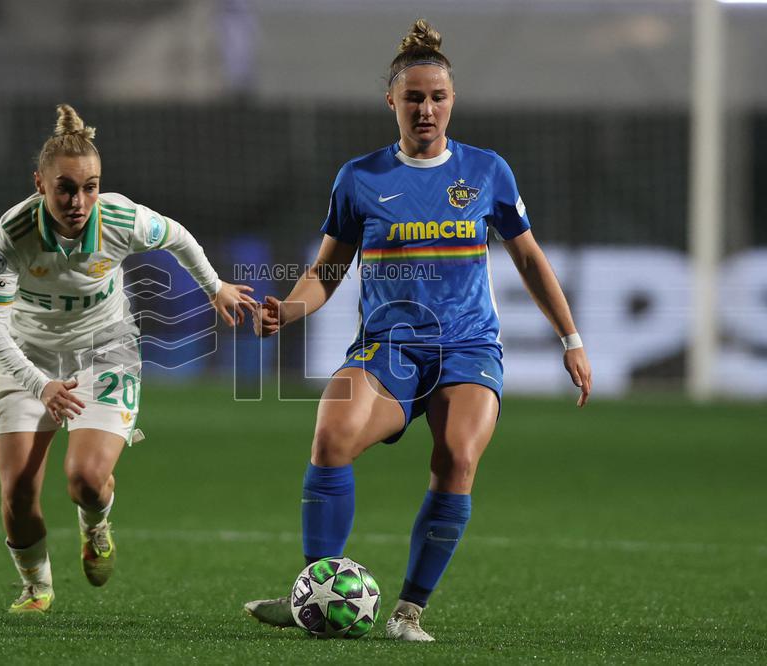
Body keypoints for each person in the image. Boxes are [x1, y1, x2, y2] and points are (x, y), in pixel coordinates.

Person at [243, 19, 592, 641]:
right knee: (331, 434)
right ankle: (317, 593)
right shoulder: (361, 178)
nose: (425, 109)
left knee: (457, 457)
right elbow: (325, 271)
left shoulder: (487, 172)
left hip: (467, 346)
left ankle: (409, 612)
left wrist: (571, 340)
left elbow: (530, 260)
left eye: (436, 97)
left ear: (452, 101)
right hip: (387, 348)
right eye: (413, 98)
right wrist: (286, 311)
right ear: (392, 103)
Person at [0, 104, 256, 614]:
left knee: (84, 478)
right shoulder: (14, 232)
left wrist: (215, 288)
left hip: (105, 351)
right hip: (28, 357)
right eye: (65, 187)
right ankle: (36, 588)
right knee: (18, 491)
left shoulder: (121, 218)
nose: (79, 200)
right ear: (39, 183)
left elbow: (176, 235)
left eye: (90, 187)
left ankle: (95, 523)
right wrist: (40, 385)